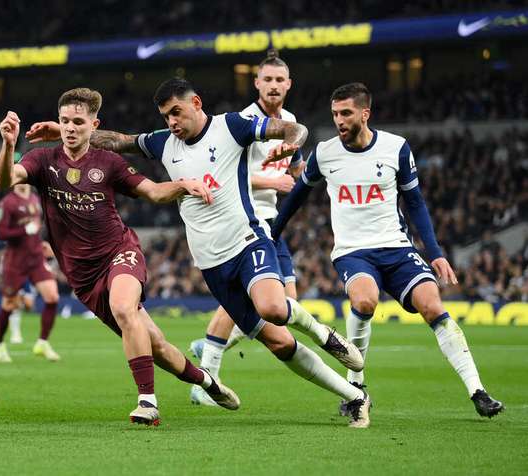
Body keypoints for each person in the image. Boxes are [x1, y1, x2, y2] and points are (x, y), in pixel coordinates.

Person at [28, 79, 371, 428]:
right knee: (279, 344)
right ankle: (355, 397)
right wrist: (62, 130)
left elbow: (294, 128)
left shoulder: (231, 126)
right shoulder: (164, 143)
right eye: (165, 116)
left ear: (196, 102)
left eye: (176, 112)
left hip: (246, 240)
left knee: (272, 307)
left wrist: (291, 144)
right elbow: (119, 141)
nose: (172, 122)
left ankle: (322, 333)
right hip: (210, 263)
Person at [0, 87, 240, 426]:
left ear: (94, 125)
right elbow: (6, 179)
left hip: (119, 252)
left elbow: (153, 192)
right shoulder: (42, 160)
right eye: (64, 120)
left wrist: (184, 184)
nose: (69, 128)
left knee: (124, 308)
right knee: (157, 346)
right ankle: (206, 381)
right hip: (83, 276)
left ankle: (147, 403)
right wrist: (9, 145)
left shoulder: (108, 162)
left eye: (78, 122)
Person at [272, 82, 503, 418]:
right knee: (364, 300)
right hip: (353, 251)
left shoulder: (396, 149)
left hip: (396, 247)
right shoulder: (325, 153)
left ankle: (478, 391)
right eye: (335, 113)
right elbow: (297, 197)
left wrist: (435, 252)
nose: (339, 120)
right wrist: (273, 233)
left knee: (432, 305)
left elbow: (416, 203)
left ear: (365, 113)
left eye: (346, 113)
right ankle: (357, 386)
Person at [186, 50, 306, 406]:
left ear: (288, 84)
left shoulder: (290, 120)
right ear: (256, 83)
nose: (272, 86)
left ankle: (211, 345)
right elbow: (227, 178)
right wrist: (273, 182)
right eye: (266, 80)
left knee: (286, 305)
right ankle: (207, 374)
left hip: (271, 221)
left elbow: (295, 167)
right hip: (246, 220)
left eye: (278, 80)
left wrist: (304, 172)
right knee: (249, 301)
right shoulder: (242, 122)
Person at [0, 183, 61, 362]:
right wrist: (24, 230)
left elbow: (36, 229)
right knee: (10, 305)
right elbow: (1, 233)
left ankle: (42, 343)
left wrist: (41, 243)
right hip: (15, 261)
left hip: (36, 258)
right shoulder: (7, 203)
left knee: (52, 297)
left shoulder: (35, 198)